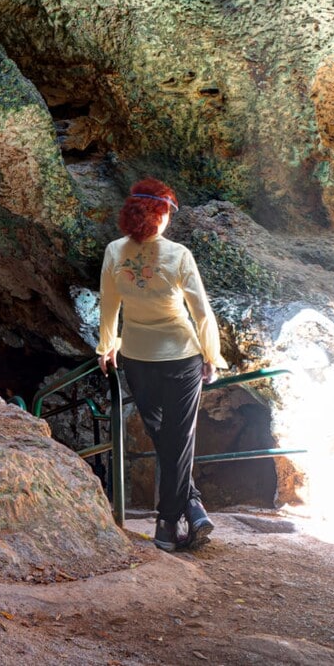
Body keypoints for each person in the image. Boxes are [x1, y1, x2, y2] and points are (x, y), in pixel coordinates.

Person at [96, 176, 227, 552]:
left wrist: (106, 347)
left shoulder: (114, 252)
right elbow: (201, 312)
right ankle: (172, 519)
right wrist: (211, 354)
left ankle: (188, 511)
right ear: (161, 215)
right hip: (182, 358)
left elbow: (109, 305)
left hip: (137, 358)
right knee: (178, 439)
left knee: (165, 440)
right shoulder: (178, 255)